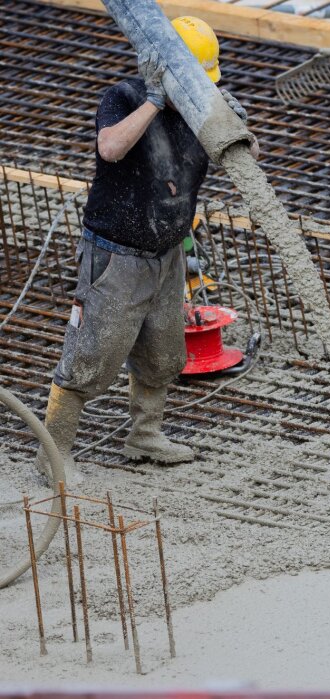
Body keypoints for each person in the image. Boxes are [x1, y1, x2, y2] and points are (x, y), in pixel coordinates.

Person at [36, 16, 257, 482]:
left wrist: (234, 125)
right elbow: (111, 147)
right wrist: (156, 100)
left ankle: (145, 435)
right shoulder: (125, 98)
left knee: (163, 354)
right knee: (90, 356)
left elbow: (243, 158)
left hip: (167, 251)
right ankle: (53, 454)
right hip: (115, 252)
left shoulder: (201, 109)